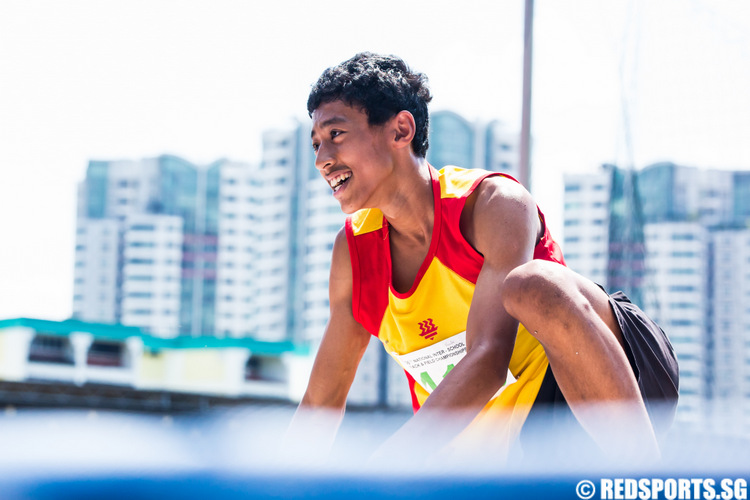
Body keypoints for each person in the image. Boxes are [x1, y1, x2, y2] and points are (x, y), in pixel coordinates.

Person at [288, 52, 679, 464]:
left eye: (335, 134)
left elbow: (489, 359)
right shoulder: (353, 255)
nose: (321, 159)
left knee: (535, 285)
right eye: (315, 144)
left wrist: (383, 468)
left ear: (401, 129)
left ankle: (645, 477)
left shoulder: (492, 204)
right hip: (514, 444)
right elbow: (321, 401)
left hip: (616, 376)